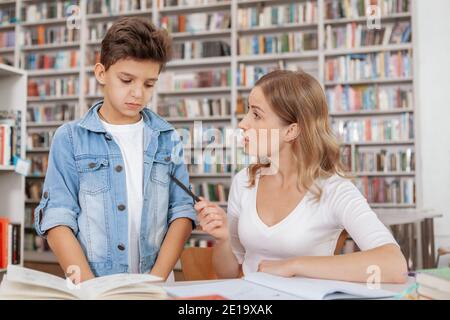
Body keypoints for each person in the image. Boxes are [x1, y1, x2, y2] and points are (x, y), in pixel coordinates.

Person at [195, 70, 408, 283]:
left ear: (291, 131)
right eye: (248, 111)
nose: (242, 124)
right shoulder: (244, 181)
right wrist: (223, 239)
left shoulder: (334, 190)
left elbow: (394, 266)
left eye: (256, 115)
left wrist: (293, 265)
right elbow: (228, 273)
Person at [34, 17, 196, 282]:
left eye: (148, 84)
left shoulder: (168, 138)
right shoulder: (70, 138)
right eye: (126, 80)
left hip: (154, 284)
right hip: (92, 285)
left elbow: (182, 213)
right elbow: (58, 218)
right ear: (101, 73)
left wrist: (153, 282)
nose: (137, 94)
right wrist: (90, 289)